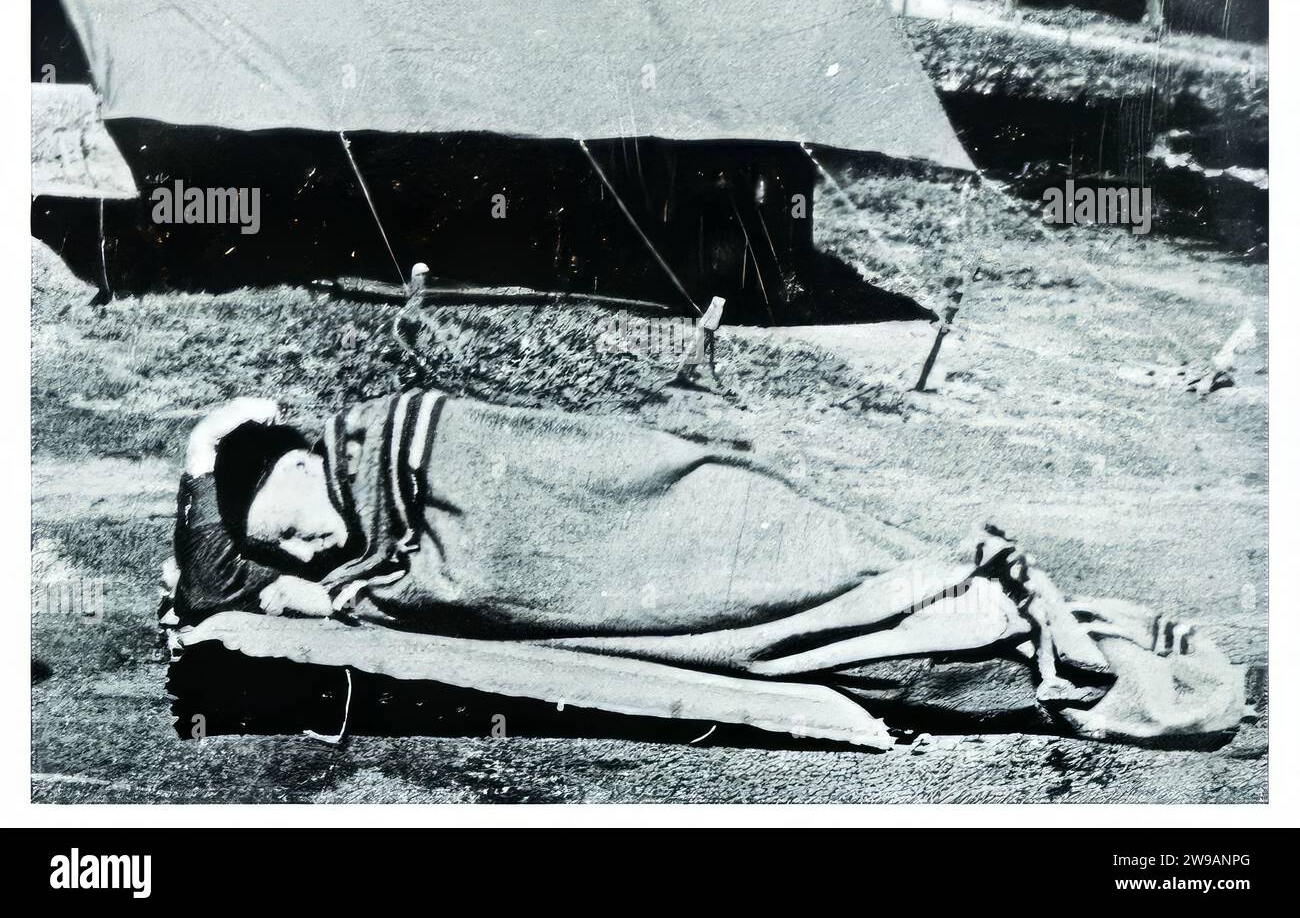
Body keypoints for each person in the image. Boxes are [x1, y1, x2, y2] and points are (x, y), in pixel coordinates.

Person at [172, 393, 1247, 743]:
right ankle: (1008, 643)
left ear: (313, 454)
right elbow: (217, 581)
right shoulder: (376, 571)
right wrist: (203, 466)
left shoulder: (419, 431)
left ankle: (1001, 625)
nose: (308, 548)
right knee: (900, 651)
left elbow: (579, 482)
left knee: (848, 573)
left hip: (699, 509)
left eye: (299, 519)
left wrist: (225, 435)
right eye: (289, 549)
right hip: (683, 594)